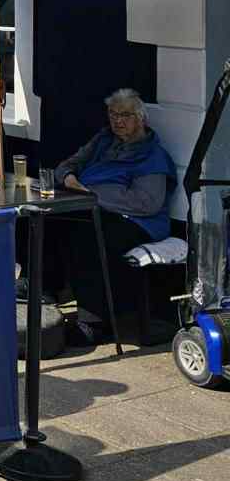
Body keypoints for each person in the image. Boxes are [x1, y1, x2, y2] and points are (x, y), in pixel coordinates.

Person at [58, 89, 178, 344]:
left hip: (136, 221)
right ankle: (42, 298)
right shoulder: (103, 141)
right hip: (91, 208)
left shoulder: (152, 157)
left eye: (125, 115)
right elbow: (66, 166)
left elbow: (146, 204)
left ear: (141, 119)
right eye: (113, 114)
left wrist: (93, 195)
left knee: (89, 238)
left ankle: (94, 323)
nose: (117, 121)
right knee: (44, 222)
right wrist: (69, 177)